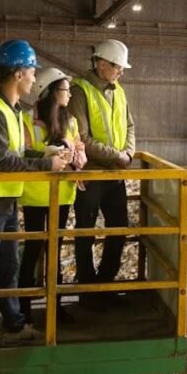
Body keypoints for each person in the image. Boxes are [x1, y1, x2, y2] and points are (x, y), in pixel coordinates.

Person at [0, 39, 68, 351]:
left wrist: (44, 150)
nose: (35, 78)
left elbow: (16, 152)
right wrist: (46, 163)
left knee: (8, 267)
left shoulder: (10, 111)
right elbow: (2, 161)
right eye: (32, 71)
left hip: (5, 200)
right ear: (19, 74)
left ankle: (13, 324)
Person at [67, 39, 135, 303]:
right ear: (102, 64)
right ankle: (87, 289)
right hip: (91, 174)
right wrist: (116, 156)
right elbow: (81, 137)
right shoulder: (80, 92)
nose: (121, 72)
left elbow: (130, 126)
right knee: (86, 230)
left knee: (119, 227)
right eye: (118, 67)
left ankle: (105, 283)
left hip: (115, 174)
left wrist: (128, 152)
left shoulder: (118, 89)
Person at [19, 67, 86, 325]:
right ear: (49, 92)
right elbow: (22, 152)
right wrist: (47, 155)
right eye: (65, 90)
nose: (69, 94)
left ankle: (55, 308)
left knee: (56, 250)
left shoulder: (70, 121)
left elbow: (80, 148)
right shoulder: (26, 119)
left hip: (63, 193)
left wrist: (75, 157)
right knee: (33, 250)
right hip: (36, 194)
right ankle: (23, 308)